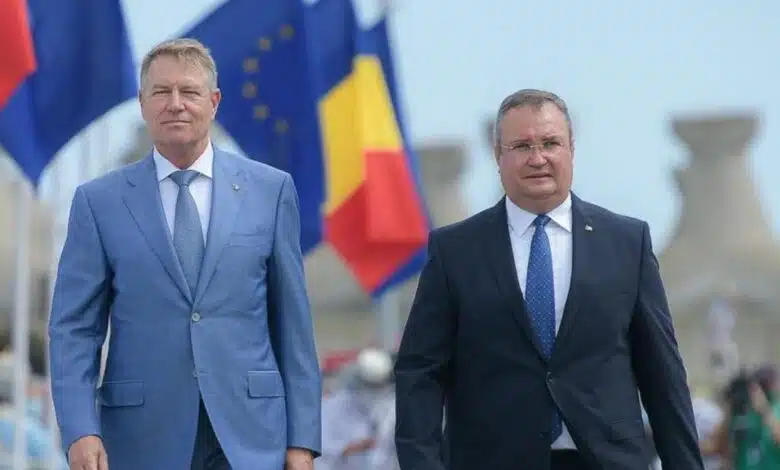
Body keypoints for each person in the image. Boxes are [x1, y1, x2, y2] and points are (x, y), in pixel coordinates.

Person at [394, 89, 704, 470]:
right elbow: (420, 372)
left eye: (550, 143)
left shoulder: (626, 243)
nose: (537, 158)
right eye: (522, 146)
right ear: (498, 155)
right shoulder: (455, 251)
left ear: (571, 148)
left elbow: (663, 375)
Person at [48, 38, 321, 470]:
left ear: (214, 102)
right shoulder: (98, 202)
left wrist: (302, 441)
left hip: (252, 437)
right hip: (142, 438)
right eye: (161, 92)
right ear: (142, 103)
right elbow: (74, 331)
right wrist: (80, 429)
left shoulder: (271, 191)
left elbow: (293, 326)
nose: (175, 104)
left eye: (189, 92)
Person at [318, 348, 398, 470]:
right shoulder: (336, 405)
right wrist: (352, 447)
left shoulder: (391, 405)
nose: (374, 390)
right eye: (370, 385)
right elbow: (324, 447)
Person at [703, 366, 780, 469]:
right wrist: (729, 412)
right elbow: (717, 447)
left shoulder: (775, 410)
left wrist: (764, 410)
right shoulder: (742, 413)